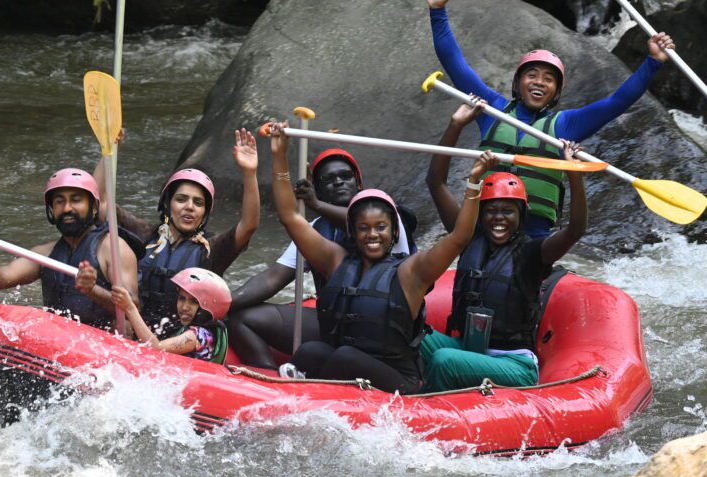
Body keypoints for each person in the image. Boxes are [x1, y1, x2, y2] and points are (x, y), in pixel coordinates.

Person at [268, 121, 491, 394]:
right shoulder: (335, 261)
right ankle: (298, 393)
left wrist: (474, 184)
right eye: (363, 228)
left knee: (344, 356)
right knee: (310, 351)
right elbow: (290, 217)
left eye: (380, 227)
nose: (372, 235)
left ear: (394, 231)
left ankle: (308, 394)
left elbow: (459, 238)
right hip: (349, 366)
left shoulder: (411, 273)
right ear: (352, 231)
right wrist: (279, 157)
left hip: (399, 380)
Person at [427, 0, 673, 238]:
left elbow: (616, 102)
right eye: (531, 75)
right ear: (517, 83)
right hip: (485, 227)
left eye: (548, 79)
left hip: (534, 240)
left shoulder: (565, 125)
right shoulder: (492, 111)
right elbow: (454, 63)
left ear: (556, 92)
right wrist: (437, 11)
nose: (539, 82)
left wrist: (652, 62)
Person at [420, 102, 588, 392]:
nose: (498, 218)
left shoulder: (533, 253)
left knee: (444, 359)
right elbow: (436, 183)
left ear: (521, 215)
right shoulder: (467, 237)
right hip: (470, 349)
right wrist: (455, 125)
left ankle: (423, 405)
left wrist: (572, 172)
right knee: (412, 334)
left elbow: (576, 229)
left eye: (507, 211)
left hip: (514, 364)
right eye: (491, 210)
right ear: (480, 214)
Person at [227, 148, 413, 369]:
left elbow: (354, 220)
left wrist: (316, 205)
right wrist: (224, 305)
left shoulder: (390, 221)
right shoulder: (316, 231)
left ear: (358, 183)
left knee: (344, 356)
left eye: (345, 176)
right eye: (328, 179)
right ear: (318, 190)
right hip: (335, 325)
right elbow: (274, 277)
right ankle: (270, 381)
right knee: (242, 318)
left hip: (383, 331)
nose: (338, 182)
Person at [108, 128, 260, 334]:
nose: (189, 206)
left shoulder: (213, 248)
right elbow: (103, 205)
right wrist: (110, 149)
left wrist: (249, 173)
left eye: (198, 203)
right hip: (139, 328)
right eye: (181, 199)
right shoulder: (145, 234)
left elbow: (249, 224)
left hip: (181, 341)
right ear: (167, 204)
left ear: (205, 212)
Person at [0, 168, 139, 332]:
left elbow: (132, 308)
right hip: (57, 341)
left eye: (76, 200)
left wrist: (92, 290)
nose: (67, 208)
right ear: (52, 209)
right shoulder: (45, 253)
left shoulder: (114, 248)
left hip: (103, 345)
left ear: (94, 207)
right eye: (59, 202)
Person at [111, 267, 232, 363]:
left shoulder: (197, 336)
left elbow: (155, 348)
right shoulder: (200, 331)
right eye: (181, 299)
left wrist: (129, 308)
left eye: (194, 302)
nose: (184, 307)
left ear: (208, 308)